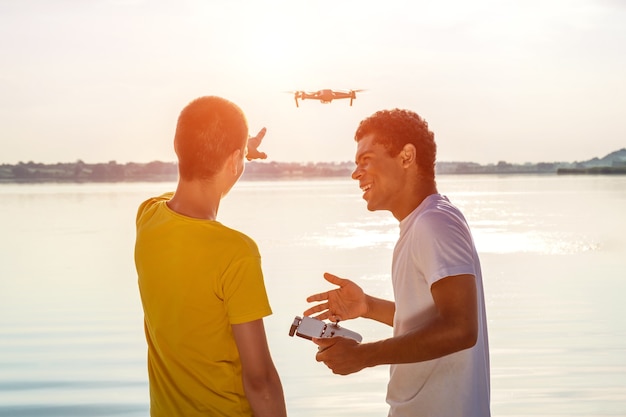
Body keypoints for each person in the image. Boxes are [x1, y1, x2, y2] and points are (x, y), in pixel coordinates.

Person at [304, 108, 490, 416]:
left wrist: (363, 356)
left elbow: (461, 328)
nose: (356, 173)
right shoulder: (422, 223)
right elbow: (431, 322)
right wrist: (367, 306)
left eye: (366, 160)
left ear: (406, 157)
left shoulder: (435, 223)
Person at [134, 96, 287, 417]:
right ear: (235, 161)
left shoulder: (147, 218)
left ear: (176, 145)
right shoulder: (236, 252)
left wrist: (236, 151)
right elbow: (260, 381)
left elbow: (186, 185)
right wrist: (238, 153)